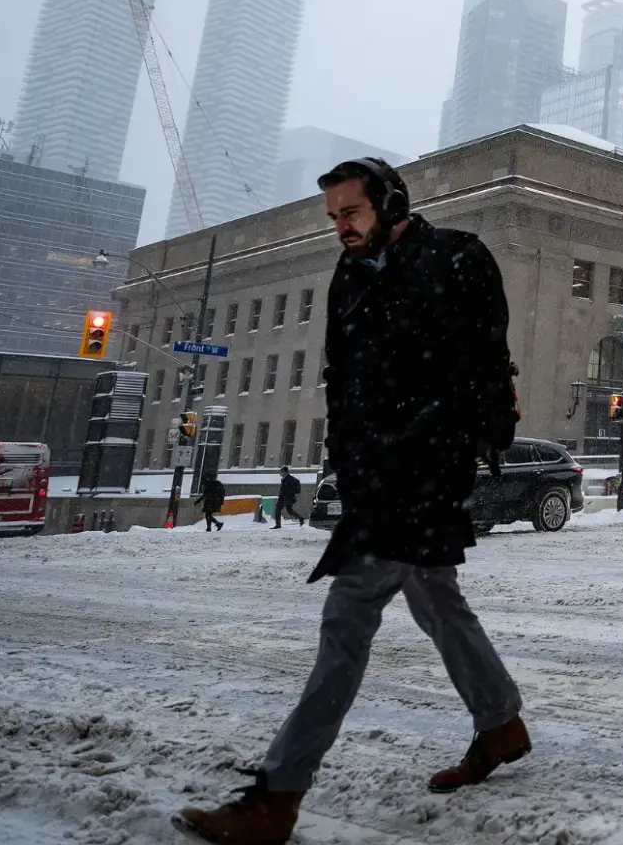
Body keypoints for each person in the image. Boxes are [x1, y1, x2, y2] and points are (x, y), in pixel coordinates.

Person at [176, 158, 525, 845]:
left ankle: (277, 795)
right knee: (435, 599)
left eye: (351, 213)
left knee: (347, 617)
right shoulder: (348, 276)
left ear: (390, 203)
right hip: (375, 473)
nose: (340, 227)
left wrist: (444, 446)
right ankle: (501, 723)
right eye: (333, 216)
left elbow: (483, 366)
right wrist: (348, 457)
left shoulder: (456, 258)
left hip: (425, 471)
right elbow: (342, 374)